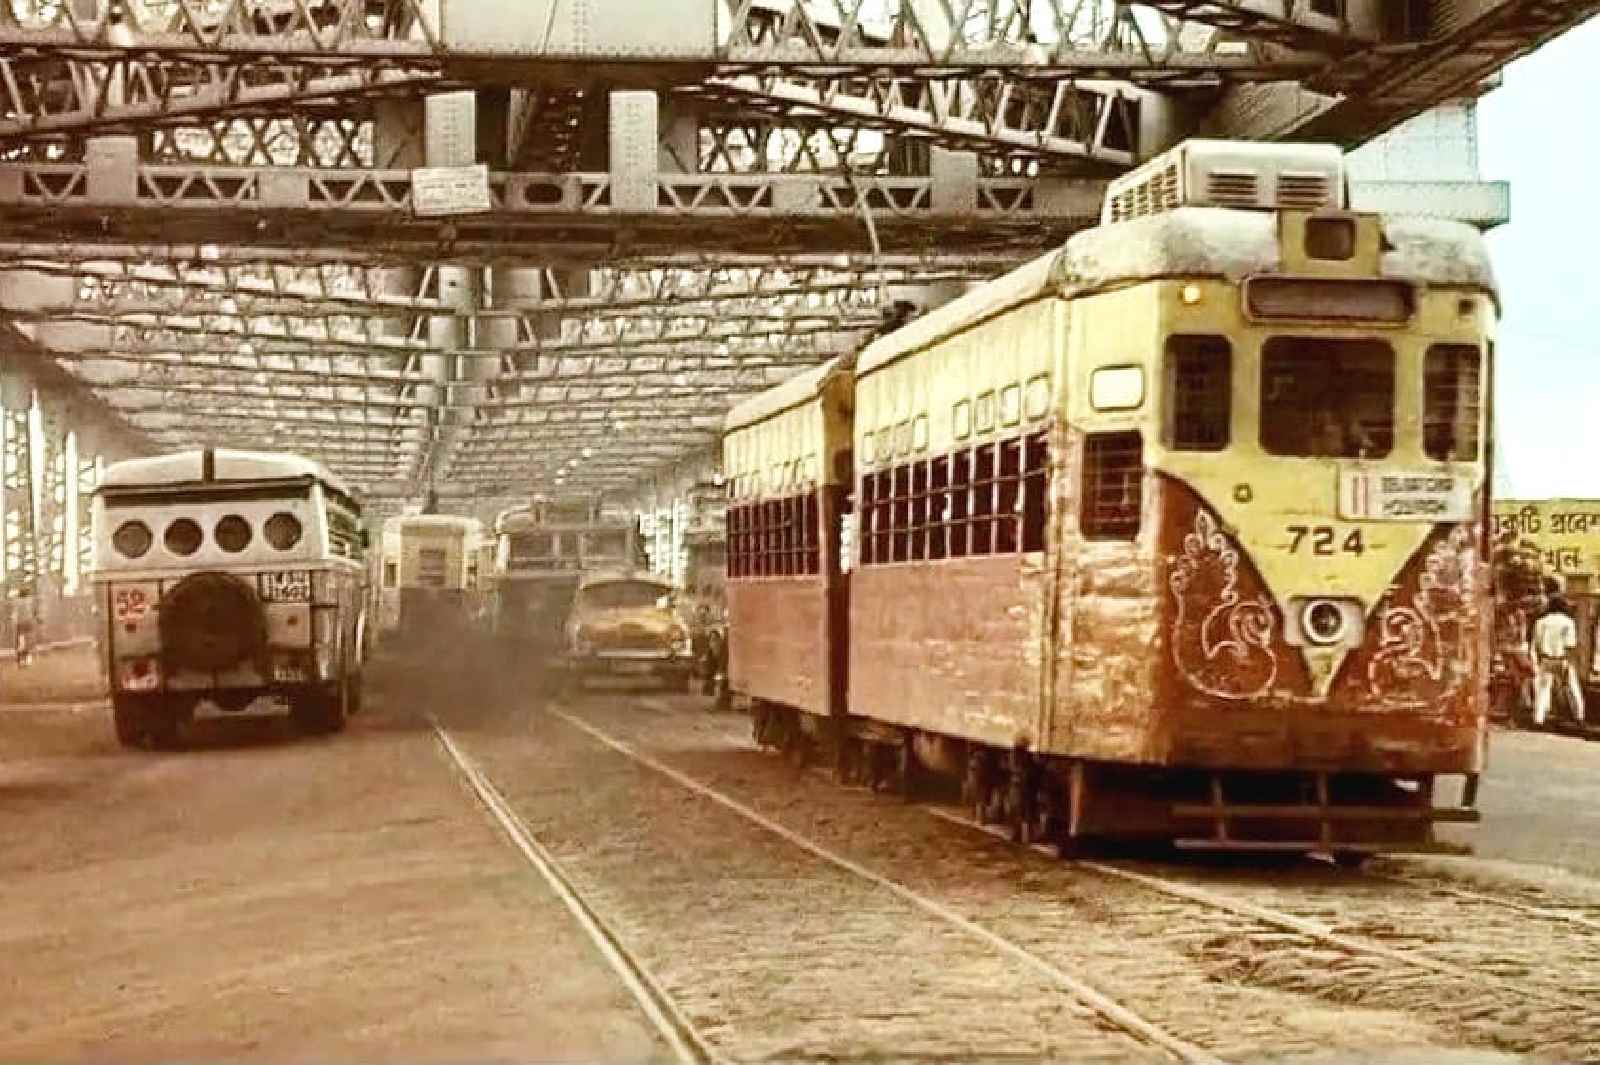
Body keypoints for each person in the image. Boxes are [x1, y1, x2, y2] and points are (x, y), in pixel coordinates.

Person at [1532, 596, 1586, 728]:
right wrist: (1569, 662)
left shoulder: (1541, 622)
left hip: (1546, 658)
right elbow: (1570, 644)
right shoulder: (1568, 622)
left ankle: (1539, 718)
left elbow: (1537, 643)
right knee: (1572, 687)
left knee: (1543, 689)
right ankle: (1579, 716)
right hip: (1562, 658)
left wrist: (1539, 659)